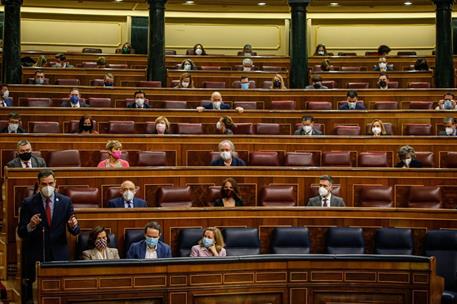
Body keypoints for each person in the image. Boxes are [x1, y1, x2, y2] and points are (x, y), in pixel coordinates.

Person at [17, 169, 80, 303]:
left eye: (50, 183)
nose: (48, 187)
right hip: (36, 254)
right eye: (44, 184)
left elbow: (75, 231)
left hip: (59, 253)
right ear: (38, 185)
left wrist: (73, 225)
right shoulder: (28, 203)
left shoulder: (65, 201)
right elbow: (21, 232)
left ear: (56, 183)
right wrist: (31, 225)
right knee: (35, 295)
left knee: (59, 292)